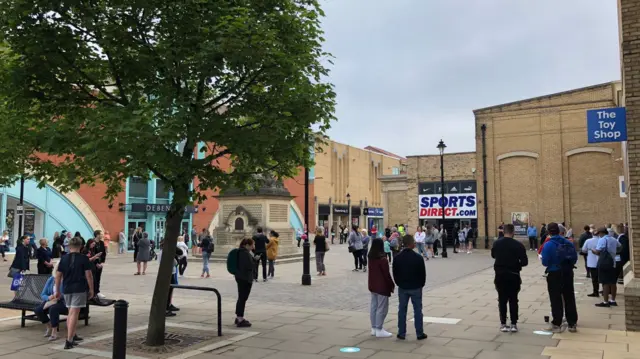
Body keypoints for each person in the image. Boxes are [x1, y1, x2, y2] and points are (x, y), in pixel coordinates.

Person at [55, 236, 93, 349]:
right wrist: (92, 289)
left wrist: (57, 290)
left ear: (69, 246)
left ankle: (72, 335)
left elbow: (58, 276)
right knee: (74, 314)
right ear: (80, 247)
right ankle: (69, 340)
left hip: (67, 288)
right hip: (79, 288)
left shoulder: (64, 258)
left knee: (70, 312)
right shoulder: (84, 258)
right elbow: (89, 275)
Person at [541, 222, 578, 333]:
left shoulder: (548, 244)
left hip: (554, 273)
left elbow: (545, 262)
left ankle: (557, 323)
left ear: (548, 232)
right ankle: (572, 323)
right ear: (559, 231)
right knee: (569, 297)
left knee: (556, 298)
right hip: (567, 272)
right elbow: (574, 259)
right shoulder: (568, 243)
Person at [491, 224, 528, 332]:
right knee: (513, 299)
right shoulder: (518, 245)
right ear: (513, 232)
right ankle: (513, 323)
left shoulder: (497, 243)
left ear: (503, 232)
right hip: (513, 274)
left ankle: (503, 323)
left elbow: (493, 255)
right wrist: (517, 264)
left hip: (500, 274)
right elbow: (525, 262)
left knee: (502, 299)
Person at [392, 235, 426, 340]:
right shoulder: (418, 258)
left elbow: (395, 273)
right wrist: (421, 284)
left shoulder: (397, 257)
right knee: (418, 310)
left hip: (403, 287)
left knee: (402, 310)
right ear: (411, 244)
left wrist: (399, 283)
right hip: (416, 287)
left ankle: (401, 333)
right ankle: (419, 333)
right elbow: (422, 274)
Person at [34, 262, 69, 341]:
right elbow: (43, 294)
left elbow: (68, 294)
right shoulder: (51, 279)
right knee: (38, 310)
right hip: (51, 300)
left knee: (53, 309)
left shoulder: (67, 279)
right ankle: (49, 326)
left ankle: (54, 331)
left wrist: (59, 296)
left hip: (63, 302)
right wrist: (49, 297)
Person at [368, 237, 395, 338]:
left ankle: (374, 328)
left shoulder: (370, 257)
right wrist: (391, 285)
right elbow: (386, 274)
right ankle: (379, 328)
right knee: (382, 308)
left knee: (374, 306)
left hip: (372, 285)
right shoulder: (382, 259)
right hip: (382, 286)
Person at [592, 227, 621, 307]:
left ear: (602, 233)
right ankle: (613, 300)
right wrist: (614, 253)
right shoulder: (614, 239)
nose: (599, 235)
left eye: (599, 234)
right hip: (613, 262)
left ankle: (605, 302)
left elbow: (598, 251)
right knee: (613, 282)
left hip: (604, 263)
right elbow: (620, 247)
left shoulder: (602, 240)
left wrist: (593, 251)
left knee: (605, 283)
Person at [235, 238, 256, 327]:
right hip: (245, 278)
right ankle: (240, 318)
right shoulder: (245, 253)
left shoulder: (241, 252)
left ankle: (238, 316)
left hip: (240, 277)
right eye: (252, 245)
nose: (253, 247)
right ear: (247, 245)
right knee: (243, 298)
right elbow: (249, 266)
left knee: (241, 297)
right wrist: (254, 259)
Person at [581, 232, 600, 297]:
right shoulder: (601, 240)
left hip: (592, 261)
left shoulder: (588, 241)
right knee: (602, 278)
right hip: (601, 261)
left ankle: (595, 291)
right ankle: (605, 291)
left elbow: (583, 249)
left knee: (594, 278)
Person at [93, 230, 107, 299]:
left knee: (98, 278)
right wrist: (96, 263)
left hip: (100, 263)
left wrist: (102, 262)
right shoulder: (92, 242)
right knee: (93, 278)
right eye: (101, 234)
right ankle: (92, 292)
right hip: (93, 264)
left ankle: (97, 292)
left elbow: (104, 253)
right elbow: (91, 254)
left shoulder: (101, 243)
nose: (102, 235)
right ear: (97, 235)